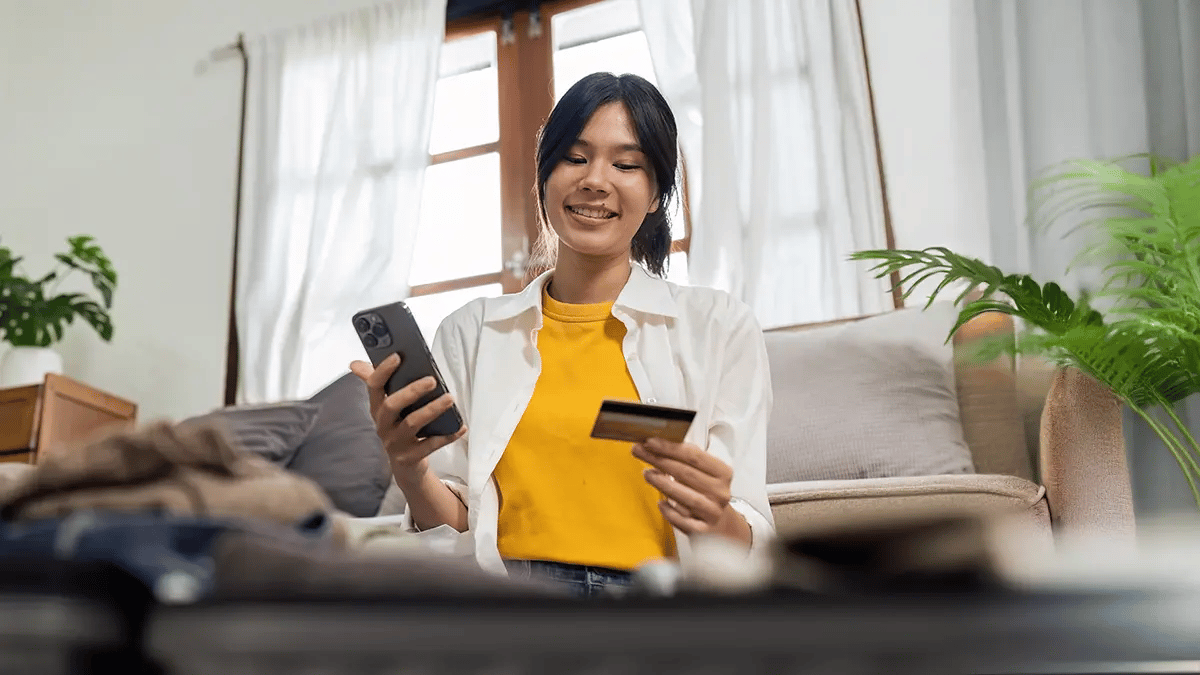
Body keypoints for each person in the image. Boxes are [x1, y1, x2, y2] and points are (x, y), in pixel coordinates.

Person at [350, 72, 773, 598]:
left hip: (656, 604)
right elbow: (457, 528)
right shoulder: (472, 332)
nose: (595, 179)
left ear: (657, 190)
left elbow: (749, 528)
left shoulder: (718, 327)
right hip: (517, 604)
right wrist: (410, 470)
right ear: (544, 174)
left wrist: (713, 515)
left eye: (626, 164)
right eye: (575, 158)